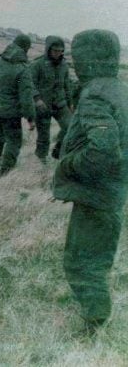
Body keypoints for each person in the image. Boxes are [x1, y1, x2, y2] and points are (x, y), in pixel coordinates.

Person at [53, 29, 128, 335]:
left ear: (91, 60)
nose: (73, 64)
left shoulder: (95, 92)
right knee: (94, 259)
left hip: (97, 194)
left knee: (82, 263)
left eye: (78, 57)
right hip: (111, 192)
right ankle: (95, 317)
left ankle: (93, 328)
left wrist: (69, 165)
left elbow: (104, 150)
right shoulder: (118, 88)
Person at [0, 34, 36, 176]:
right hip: (10, 112)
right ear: (25, 49)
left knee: (0, 133)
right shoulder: (23, 68)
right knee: (14, 140)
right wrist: (30, 118)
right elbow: (26, 97)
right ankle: (5, 171)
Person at [29, 36, 73, 163]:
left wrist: (70, 102)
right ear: (48, 50)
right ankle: (41, 157)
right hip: (43, 105)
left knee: (70, 127)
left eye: (60, 51)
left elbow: (67, 85)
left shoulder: (64, 65)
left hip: (60, 104)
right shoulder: (37, 64)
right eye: (55, 50)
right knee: (44, 135)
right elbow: (30, 84)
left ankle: (58, 150)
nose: (58, 53)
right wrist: (37, 99)